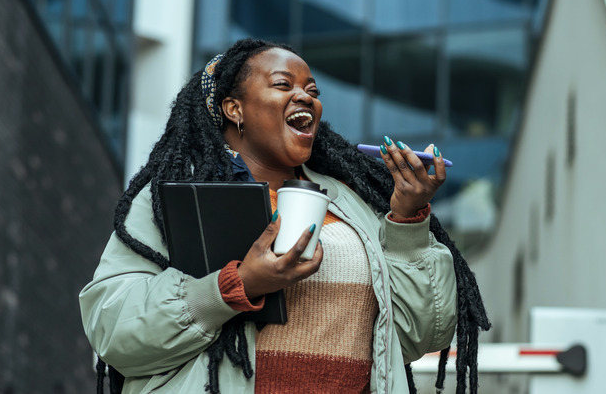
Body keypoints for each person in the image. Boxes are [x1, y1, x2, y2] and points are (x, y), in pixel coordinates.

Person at [79, 38, 491, 394]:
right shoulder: (172, 199)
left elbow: (423, 335)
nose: (306, 97)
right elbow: (112, 329)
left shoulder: (357, 208)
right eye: (283, 85)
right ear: (233, 108)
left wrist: (406, 220)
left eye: (312, 89)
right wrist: (235, 287)